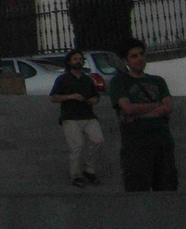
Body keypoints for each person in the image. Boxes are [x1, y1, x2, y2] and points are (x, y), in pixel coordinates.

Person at [108, 37, 177, 191]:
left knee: (167, 191)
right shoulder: (120, 82)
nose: (140, 59)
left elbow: (167, 107)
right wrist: (155, 106)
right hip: (136, 146)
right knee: (137, 192)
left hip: (162, 144)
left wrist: (141, 113)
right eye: (134, 56)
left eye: (141, 54)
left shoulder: (158, 81)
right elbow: (127, 109)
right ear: (125, 60)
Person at [49, 48, 103, 186]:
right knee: (76, 146)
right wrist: (70, 96)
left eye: (80, 59)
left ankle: (89, 169)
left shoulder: (87, 79)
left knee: (98, 140)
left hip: (88, 116)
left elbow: (96, 96)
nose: (78, 61)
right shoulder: (63, 79)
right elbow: (53, 98)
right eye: (75, 59)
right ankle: (76, 175)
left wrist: (93, 100)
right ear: (69, 62)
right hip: (71, 118)